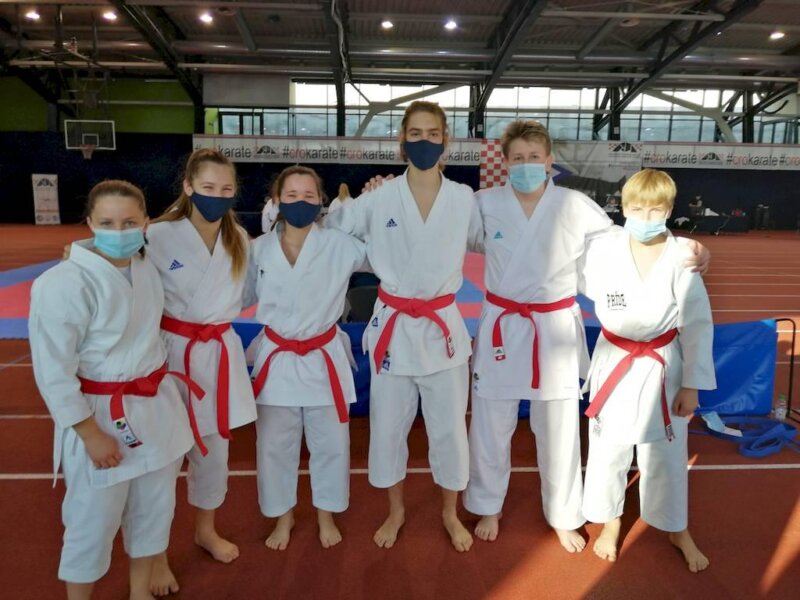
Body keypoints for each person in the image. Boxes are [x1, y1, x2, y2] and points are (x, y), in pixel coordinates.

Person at [463, 120, 710, 551]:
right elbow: (448, 235)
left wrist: (684, 246)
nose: (526, 164)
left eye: (534, 157)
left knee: (559, 430)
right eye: (517, 158)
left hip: (554, 327)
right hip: (503, 325)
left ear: (549, 161)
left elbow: (626, 239)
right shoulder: (483, 204)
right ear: (505, 162)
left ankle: (562, 514)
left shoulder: (575, 205)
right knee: (490, 423)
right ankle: (488, 505)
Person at [325, 100, 483, 552]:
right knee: (388, 428)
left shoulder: (463, 198)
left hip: (442, 331)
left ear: (446, 140)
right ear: (402, 140)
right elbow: (337, 227)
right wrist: (344, 201)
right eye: (415, 133)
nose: (424, 141)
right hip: (393, 329)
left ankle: (449, 512)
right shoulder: (380, 197)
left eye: (433, 133)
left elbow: (491, 243)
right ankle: (395, 510)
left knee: (449, 430)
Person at [29, 180, 198, 600]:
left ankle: (140, 593)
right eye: (107, 223)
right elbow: (53, 371)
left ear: (145, 223)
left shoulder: (145, 266)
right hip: (100, 414)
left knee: (153, 513)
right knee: (91, 522)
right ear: (89, 223)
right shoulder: (62, 283)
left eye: (129, 222)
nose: (118, 231)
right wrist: (89, 433)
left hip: (155, 410)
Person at [579, 168, 715, 572]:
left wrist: (691, 384)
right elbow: (558, 257)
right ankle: (611, 522)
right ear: (624, 208)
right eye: (637, 209)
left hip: (662, 365)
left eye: (655, 210)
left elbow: (698, 323)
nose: (645, 216)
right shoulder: (602, 249)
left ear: (669, 210)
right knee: (608, 449)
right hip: (614, 360)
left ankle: (676, 528)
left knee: (667, 453)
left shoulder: (683, 255)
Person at [146, 149, 257, 595]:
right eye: (208, 187)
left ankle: (205, 529)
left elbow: (249, 294)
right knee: (163, 458)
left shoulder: (240, 239)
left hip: (217, 355)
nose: (217, 195)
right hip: (170, 356)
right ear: (188, 187)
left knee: (213, 453)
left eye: (226, 189)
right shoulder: (157, 234)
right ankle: (154, 553)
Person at [245, 165, 366, 550]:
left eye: (309, 195)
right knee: (274, 446)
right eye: (292, 195)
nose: (301, 201)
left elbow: (392, 254)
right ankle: (283, 516)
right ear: (277, 201)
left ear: (321, 202)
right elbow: (235, 294)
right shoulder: (257, 250)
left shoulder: (341, 245)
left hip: (322, 356)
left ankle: (325, 514)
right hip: (278, 358)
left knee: (331, 444)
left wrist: (377, 201)